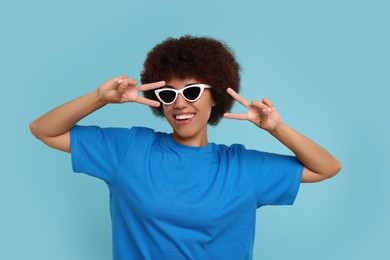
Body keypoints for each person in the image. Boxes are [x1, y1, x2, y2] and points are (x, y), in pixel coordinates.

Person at [30, 35, 341, 259]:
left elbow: (327, 167)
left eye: (192, 91)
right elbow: (44, 130)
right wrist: (99, 98)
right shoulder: (130, 150)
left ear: (216, 96)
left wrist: (277, 128)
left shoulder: (242, 168)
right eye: (169, 94)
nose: (180, 103)